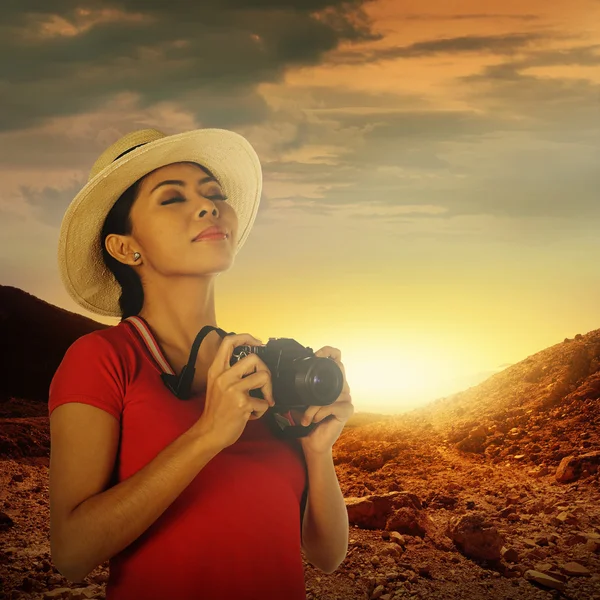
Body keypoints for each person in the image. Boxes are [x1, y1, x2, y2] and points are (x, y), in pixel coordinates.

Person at [47, 128, 354, 600]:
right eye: (172, 199)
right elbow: (71, 553)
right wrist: (207, 434)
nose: (209, 206)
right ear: (127, 247)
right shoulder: (103, 359)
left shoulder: (260, 367)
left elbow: (327, 555)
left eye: (215, 195)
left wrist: (318, 451)